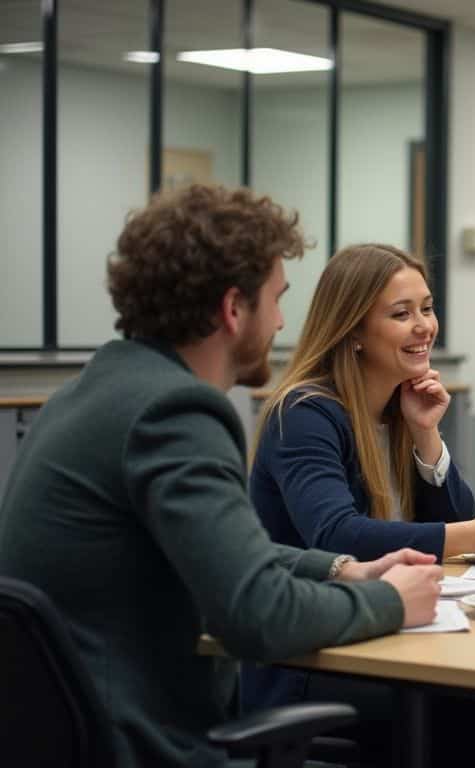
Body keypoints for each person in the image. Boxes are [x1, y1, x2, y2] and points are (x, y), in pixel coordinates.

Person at [0, 185, 442, 768]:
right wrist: (388, 601)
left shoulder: (92, 392)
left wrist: (342, 568)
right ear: (235, 309)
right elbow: (258, 613)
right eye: (277, 299)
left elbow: (236, 555)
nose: (284, 321)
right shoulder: (175, 414)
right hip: (144, 743)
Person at [245, 243, 475, 766]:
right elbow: (338, 537)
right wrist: (473, 536)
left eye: (427, 307)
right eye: (401, 314)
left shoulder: (399, 406)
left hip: (391, 635)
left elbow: (456, 526)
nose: (424, 326)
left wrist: (426, 436)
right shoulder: (304, 414)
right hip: (312, 656)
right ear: (352, 330)